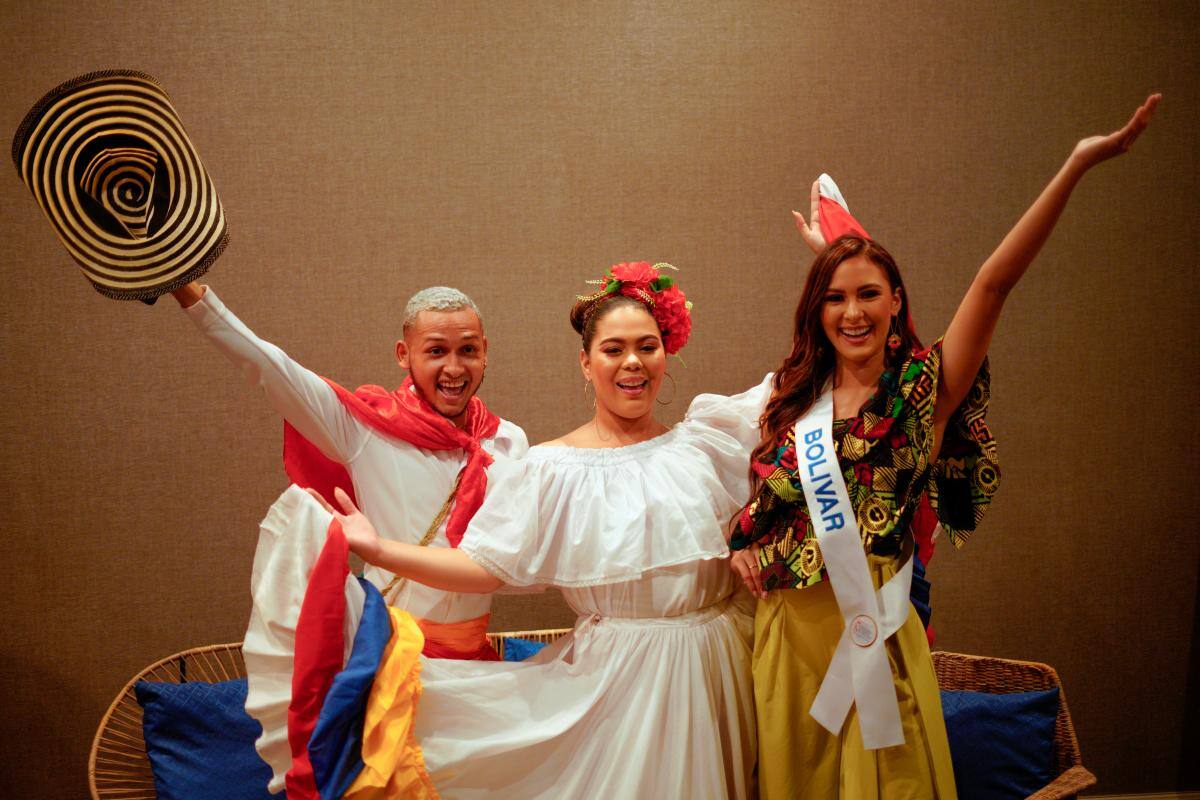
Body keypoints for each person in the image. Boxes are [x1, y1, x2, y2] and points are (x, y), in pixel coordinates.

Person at [728, 95, 1160, 798]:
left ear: (897, 301)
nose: (853, 312)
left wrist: (1078, 164)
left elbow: (994, 282)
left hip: (870, 634)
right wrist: (745, 545)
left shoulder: (922, 394)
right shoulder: (792, 399)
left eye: (870, 294)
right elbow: (766, 505)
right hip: (785, 638)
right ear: (817, 310)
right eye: (835, 298)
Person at [256, 262, 769, 797]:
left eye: (648, 346)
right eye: (614, 349)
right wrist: (378, 549)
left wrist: (746, 538)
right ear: (586, 363)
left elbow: (808, 402)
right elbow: (484, 565)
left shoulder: (705, 443)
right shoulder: (551, 468)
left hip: (720, 662)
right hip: (623, 680)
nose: (633, 362)